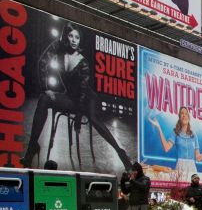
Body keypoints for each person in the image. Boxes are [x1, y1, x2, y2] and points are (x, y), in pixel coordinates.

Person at [21, 22, 132, 171]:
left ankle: (120, 152)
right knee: (44, 99)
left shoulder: (83, 63)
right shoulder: (57, 47)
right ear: (65, 36)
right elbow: (42, 63)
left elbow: (83, 94)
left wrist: (78, 118)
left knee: (94, 119)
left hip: (87, 99)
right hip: (71, 98)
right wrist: (45, 89)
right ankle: (32, 149)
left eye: (77, 37)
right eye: (71, 36)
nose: (74, 40)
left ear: (80, 40)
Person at [149, 106, 202, 184]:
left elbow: (198, 158)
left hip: (192, 168)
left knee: (193, 191)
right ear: (179, 118)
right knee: (181, 193)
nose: (184, 115)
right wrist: (159, 128)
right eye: (182, 114)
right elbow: (166, 148)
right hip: (180, 167)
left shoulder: (194, 135)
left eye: (186, 114)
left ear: (188, 117)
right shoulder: (175, 133)